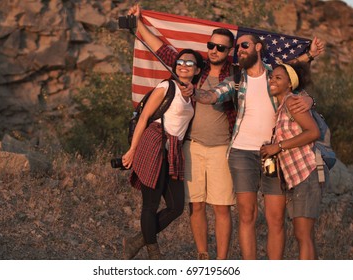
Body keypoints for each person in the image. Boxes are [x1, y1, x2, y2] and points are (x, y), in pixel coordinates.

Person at [188, 33, 324, 259]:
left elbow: (295, 76)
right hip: (241, 153)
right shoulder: (237, 80)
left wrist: (310, 97)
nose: (240, 50)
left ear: (258, 47)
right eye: (238, 48)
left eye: (244, 45)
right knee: (247, 215)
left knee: (276, 218)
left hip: (273, 153)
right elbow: (212, 95)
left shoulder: (275, 74)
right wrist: (194, 92)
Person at [128, 3, 237, 260]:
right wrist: (139, 23)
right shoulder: (194, 69)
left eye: (220, 47)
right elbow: (163, 51)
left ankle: (221, 263)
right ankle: (202, 255)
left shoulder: (235, 75)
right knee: (194, 206)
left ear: (229, 51)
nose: (214, 50)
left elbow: (269, 69)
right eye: (211, 45)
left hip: (221, 148)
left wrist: (306, 58)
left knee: (222, 208)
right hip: (191, 147)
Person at [121, 49, 203, 259]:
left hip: (173, 151)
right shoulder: (166, 87)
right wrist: (132, 150)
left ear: (197, 70)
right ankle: (153, 253)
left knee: (176, 207)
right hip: (154, 143)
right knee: (151, 203)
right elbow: (144, 118)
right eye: (180, 61)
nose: (183, 65)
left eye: (189, 63)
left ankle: (137, 241)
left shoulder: (192, 96)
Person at [260, 62, 322, 259]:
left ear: (289, 84)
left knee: (303, 234)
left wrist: (278, 147)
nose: (272, 80)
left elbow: (313, 132)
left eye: (278, 78)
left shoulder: (292, 102)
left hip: (307, 172)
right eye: (271, 77)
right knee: (303, 234)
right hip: (294, 177)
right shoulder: (281, 107)